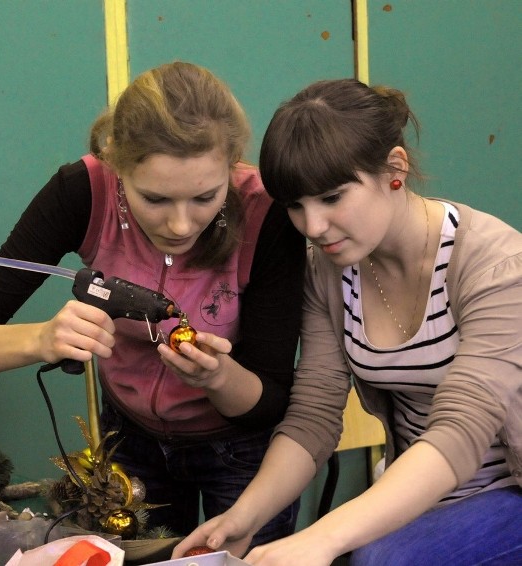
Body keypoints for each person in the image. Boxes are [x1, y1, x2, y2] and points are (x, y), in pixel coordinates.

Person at [0, 61, 306, 542]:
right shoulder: (82, 192)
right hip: (129, 446)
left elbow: (271, 402)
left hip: (243, 452)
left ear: (232, 165)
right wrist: (43, 339)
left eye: (206, 197)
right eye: (156, 199)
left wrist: (219, 378)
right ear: (117, 165)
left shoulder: (265, 212)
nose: (182, 225)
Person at [173, 78, 522, 565]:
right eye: (296, 205)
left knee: (379, 559)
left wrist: (323, 538)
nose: (312, 227)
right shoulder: (331, 271)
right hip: (424, 493)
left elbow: (463, 427)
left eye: (332, 197)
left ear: (394, 169)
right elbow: (314, 416)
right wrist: (242, 519)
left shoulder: (497, 266)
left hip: (510, 492)